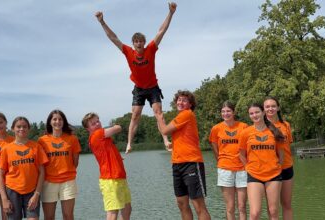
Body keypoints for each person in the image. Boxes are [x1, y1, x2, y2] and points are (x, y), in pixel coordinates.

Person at [95, 2, 177, 153]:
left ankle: (166, 140)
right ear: (133, 44)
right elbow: (113, 38)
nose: (139, 43)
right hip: (139, 88)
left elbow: (161, 31)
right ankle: (129, 144)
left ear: (144, 43)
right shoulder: (128, 52)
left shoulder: (151, 49)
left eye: (141, 41)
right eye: (136, 41)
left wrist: (171, 13)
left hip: (152, 87)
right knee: (135, 116)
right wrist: (102, 22)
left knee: (158, 113)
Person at [155, 90, 211, 220]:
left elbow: (164, 130)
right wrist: (160, 120)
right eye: (179, 100)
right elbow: (166, 131)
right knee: (182, 203)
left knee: (198, 205)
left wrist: (159, 118)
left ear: (190, 104)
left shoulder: (187, 114)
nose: (180, 102)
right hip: (177, 164)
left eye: (184, 100)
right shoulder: (179, 118)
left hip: (191, 163)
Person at [239, 104, 284, 220]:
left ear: (263, 113)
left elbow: (281, 153)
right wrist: (247, 167)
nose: (255, 115)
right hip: (254, 175)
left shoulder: (274, 131)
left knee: (273, 211)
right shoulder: (246, 132)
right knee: (254, 213)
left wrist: (277, 165)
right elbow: (241, 154)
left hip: (273, 175)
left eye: (257, 112)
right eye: (251, 113)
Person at [82, 112, 131, 220]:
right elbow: (118, 128)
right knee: (113, 213)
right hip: (110, 179)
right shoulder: (97, 135)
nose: (97, 124)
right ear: (87, 128)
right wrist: (116, 125)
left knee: (127, 209)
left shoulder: (102, 136)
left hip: (119, 176)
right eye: (93, 123)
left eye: (98, 120)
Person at [0, 116, 48, 220]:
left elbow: (42, 172)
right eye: (18, 126)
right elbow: (0, 175)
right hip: (12, 191)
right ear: (12, 129)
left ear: (29, 128)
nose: (21, 129)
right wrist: (4, 198)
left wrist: (37, 194)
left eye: (24, 126)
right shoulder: (6, 149)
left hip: (32, 191)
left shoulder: (36, 147)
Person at [37, 110, 81, 220]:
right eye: (54, 119)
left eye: (60, 119)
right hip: (48, 182)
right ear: (50, 122)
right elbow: (40, 164)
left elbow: (75, 162)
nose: (58, 121)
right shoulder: (42, 140)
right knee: (49, 216)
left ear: (64, 121)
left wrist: (66, 170)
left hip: (68, 181)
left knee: (68, 215)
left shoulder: (72, 139)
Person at [209, 101, 248, 220]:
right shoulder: (216, 128)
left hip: (242, 169)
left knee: (242, 206)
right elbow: (214, 147)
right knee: (230, 207)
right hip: (225, 169)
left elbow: (248, 146)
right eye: (223, 111)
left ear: (233, 112)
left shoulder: (244, 126)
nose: (226, 113)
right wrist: (221, 161)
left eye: (228, 111)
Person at [263, 97, 294, 220]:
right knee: (272, 208)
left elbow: (287, 146)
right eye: (267, 106)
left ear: (278, 108)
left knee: (286, 204)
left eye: (273, 106)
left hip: (286, 167)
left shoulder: (286, 125)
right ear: (263, 109)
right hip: (269, 170)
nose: (270, 109)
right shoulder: (260, 126)